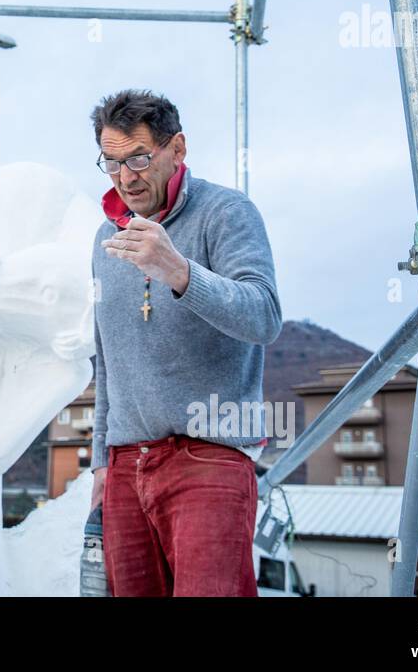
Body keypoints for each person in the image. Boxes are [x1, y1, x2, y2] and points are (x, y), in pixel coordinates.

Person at [88, 88, 282, 596]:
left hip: (210, 458)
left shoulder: (228, 212)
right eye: (110, 162)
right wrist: (101, 465)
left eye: (138, 159)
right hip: (126, 464)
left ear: (178, 148)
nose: (125, 177)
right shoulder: (104, 239)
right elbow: (108, 359)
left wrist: (177, 270)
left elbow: (263, 316)